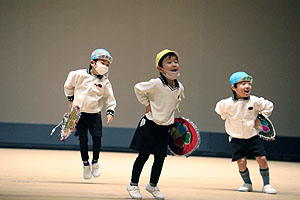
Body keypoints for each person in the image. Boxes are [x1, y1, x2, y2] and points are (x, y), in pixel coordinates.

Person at [126, 49, 184, 199]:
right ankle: (133, 184)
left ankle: (152, 185)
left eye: (175, 62)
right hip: (150, 125)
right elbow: (138, 88)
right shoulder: (155, 83)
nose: (173, 64)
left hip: (165, 128)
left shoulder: (179, 87)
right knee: (143, 156)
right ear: (160, 68)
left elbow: (174, 104)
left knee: (160, 158)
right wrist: (146, 103)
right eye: (169, 62)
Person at [215, 71, 277, 194]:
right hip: (236, 138)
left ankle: (267, 184)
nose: (247, 86)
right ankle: (247, 183)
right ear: (234, 87)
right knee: (241, 162)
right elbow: (219, 109)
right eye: (243, 83)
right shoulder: (227, 103)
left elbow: (269, 106)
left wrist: (261, 117)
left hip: (253, 136)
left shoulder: (254, 101)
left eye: (249, 83)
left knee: (262, 159)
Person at [64, 48, 116, 180]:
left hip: (95, 114)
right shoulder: (78, 75)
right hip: (79, 114)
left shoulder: (105, 82)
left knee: (97, 138)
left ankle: (95, 162)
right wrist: (70, 99)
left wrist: (110, 111)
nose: (105, 66)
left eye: (107, 64)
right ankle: (85, 164)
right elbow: (68, 86)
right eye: (102, 63)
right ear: (93, 62)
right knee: (83, 139)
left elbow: (110, 98)